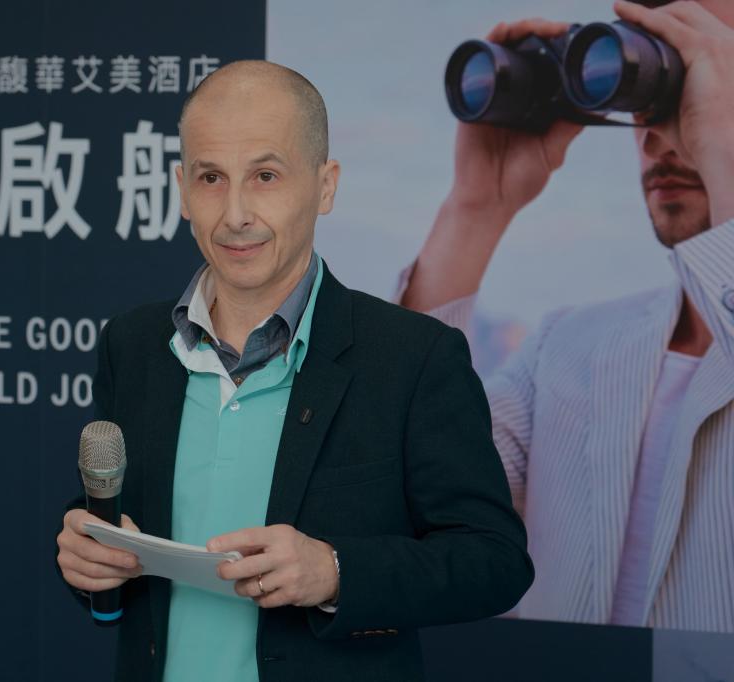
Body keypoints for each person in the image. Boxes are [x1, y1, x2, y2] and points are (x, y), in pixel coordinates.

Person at [56, 60, 533, 681]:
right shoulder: (134, 344)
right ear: (182, 189)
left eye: (266, 176)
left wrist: (334, 572)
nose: (235, 214)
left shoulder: (412, 357)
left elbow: (494, 562)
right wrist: (88, 560)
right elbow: (115, 526)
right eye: (210, 178)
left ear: (325, 185)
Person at [394, 0, 734, 632]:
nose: (659, 134)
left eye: (702, 82)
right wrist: (476, 208)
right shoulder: (568, 349)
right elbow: (400, 491)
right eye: (654, 93)